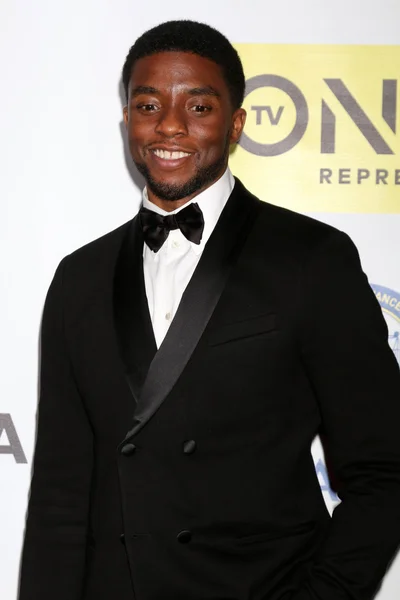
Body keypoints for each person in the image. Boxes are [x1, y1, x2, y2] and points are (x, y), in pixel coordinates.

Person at [19, 19, 400, 600]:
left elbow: (384, 471)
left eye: (198, 106)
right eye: (149, 105)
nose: (170, 125)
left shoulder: (311, 260)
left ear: (237, 123)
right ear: (127, 120)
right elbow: (60, 495)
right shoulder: (80, 277)